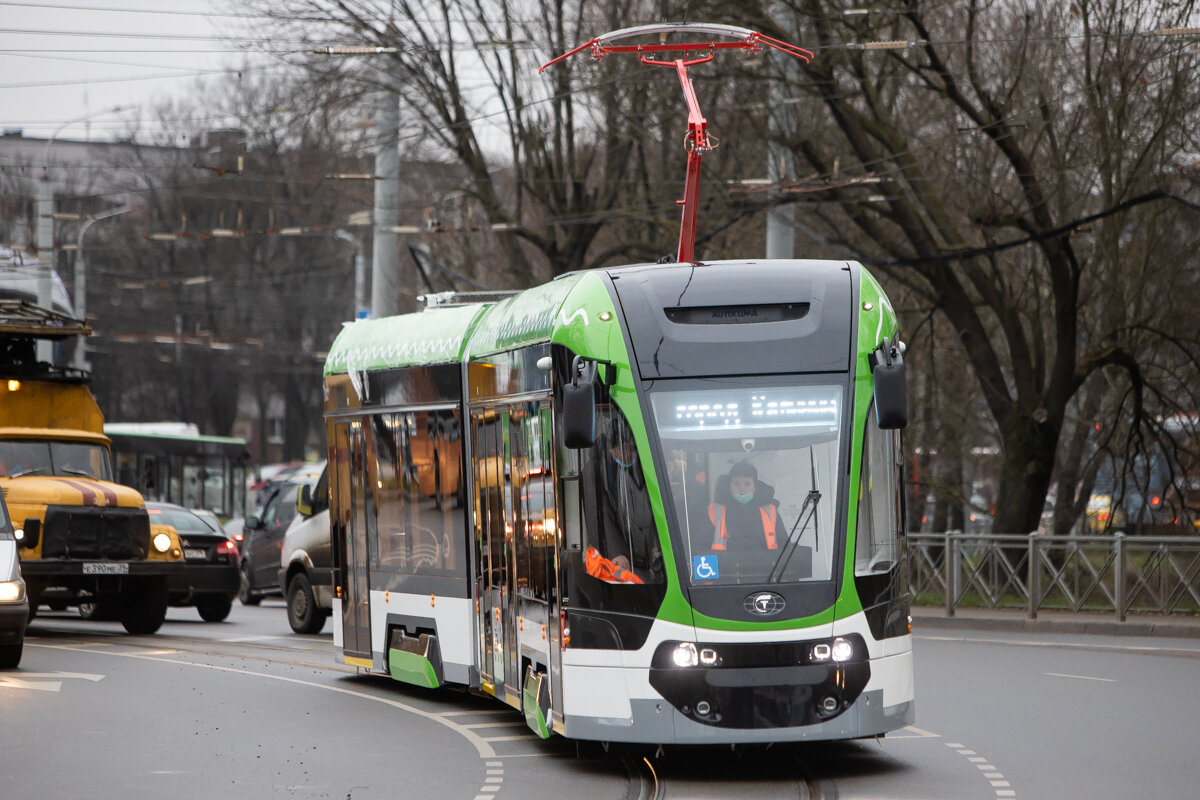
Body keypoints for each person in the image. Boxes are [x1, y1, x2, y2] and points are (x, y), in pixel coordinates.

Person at [581, 418, 659, 585]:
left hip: (646, 553)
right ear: (612, 450)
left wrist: (656, 543)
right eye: (624, 449)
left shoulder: (639, 467)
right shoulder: (594, 471)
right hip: (621, 557)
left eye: (632, 449)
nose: (629, 454)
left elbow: (654, 509)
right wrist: (616, 551)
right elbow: (599, 515)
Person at [708, 461, 781, 560]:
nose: (741, 488)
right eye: (736, 483)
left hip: (766, 571)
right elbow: (702, 552)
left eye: (747, 484)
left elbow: (784, 549)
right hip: (725, 572)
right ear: (729, 486)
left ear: (755, 487)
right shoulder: (714, 512)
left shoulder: (771, 512)